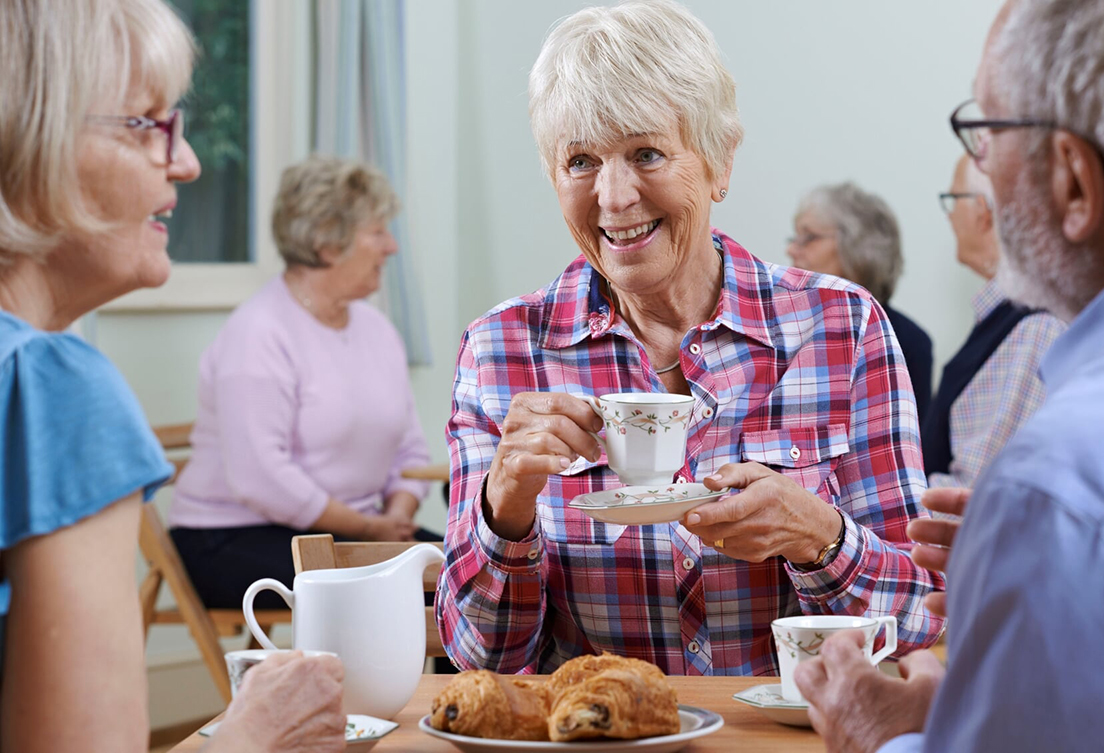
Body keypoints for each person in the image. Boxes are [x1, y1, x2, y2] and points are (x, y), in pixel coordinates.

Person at [796, 0, 1104, 750]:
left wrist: (873, 735)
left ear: (1074, 182)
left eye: (986, 133)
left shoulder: (1070, 487)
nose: (979, 173)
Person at [436, 0, 944, 677]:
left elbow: (918, 618)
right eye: (580, 161)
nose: (613, 196)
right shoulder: (500, 351)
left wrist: (821, 538)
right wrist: (503, 513)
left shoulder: (842, 328)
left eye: (646, 153)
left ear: (718, 162)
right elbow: (481, 656)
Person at [0, 1, 344, 750]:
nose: (186, 160)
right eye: (147, 122)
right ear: (31, 138)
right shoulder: (50, 389)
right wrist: (251, 730)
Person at [168, 154, 440, 612]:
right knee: (390, 588)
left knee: (469, 575)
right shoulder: (257, 333)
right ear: (327, 244)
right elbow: (261, 478)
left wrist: (395, 514)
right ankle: (391, 689)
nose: (391, 246)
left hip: (350, 530)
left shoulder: (378, 331)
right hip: (231, 536)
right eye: (376, 232)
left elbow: (409, 451)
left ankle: (462, 690)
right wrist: (369, 530)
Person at [921, 156, 1065, 489]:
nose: (949, 215)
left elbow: (974, 493)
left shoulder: (1034, 328)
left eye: (953, 200)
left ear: (983, 212)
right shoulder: (1007, 319)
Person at [788, 183, 934, 417]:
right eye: (794, 237)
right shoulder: (783, 329)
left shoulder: (907, 343)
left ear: (858, 249)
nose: (792, 250)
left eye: (809, 237)